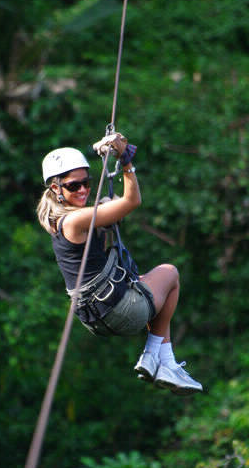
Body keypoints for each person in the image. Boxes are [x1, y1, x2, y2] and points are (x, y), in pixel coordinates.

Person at [36, 132, 202, 395]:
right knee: (170, 273)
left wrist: (105, 206)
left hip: (100, 316)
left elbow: (101, 232)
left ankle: (165, 361)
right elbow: (132, 201)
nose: (83, 190)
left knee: (152, 285)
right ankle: (153, 355)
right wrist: (125, 160)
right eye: (73, 186)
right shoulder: (75, 222)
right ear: (56, 189)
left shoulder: (65, 222)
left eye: (86, 183)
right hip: (120, 310)